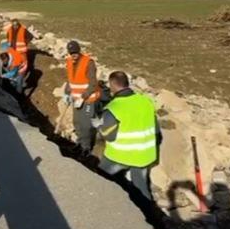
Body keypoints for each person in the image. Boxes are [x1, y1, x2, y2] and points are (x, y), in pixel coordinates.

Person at [93, 70, 159, 201]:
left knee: (99, 177)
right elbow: (155, 129)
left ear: (112, 85)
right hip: (144, 155)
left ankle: (104, 202)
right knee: (141, 187)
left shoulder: (113, 108)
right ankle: (150, 215)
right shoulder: (145, 101)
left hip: (121, 155)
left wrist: (98, 125)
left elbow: (108, 136)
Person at [63, 40, 101, 156]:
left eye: (75, 52)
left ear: (79, 51)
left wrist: (83, 97)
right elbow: (71, 80)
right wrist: (67, 92)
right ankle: (79, 143)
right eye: (71, 53)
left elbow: (93, 84)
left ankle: (86, 148)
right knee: (77, 122)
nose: (73, 55)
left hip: (88, 99)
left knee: (86, 124)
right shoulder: (69, 62)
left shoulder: (88, 63)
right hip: (76, 99)